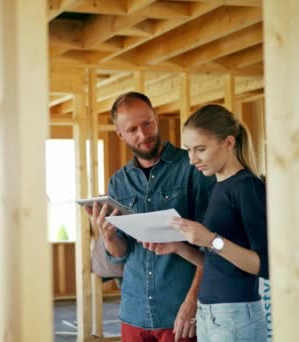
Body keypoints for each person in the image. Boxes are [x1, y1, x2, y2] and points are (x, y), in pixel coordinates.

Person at [86, 92, 214, 342]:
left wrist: (192, 301)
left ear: (156, 118)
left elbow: (212, 245)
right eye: (132, 129)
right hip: (134, 312)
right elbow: (121, 253)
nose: (143, 135)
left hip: (178, 312)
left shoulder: (192, 169)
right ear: (120, 134)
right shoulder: (119, 182)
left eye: (147, 123)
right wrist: (108, 236)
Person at [154, 104, 269, 342]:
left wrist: (210, 239)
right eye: (188, 150)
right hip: (210, 315)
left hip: (235, 317)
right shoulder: (217, 188)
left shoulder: (247, 187)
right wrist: (179, 248)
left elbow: (264, 265)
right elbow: (220, 262)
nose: (192, 159)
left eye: (201, 149)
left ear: (228, 143)